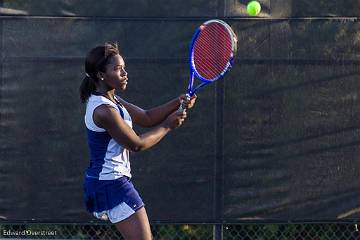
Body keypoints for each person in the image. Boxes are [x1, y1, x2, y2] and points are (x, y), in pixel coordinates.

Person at [79, 43, 196, 240]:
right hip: (110, 183)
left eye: (124, 67)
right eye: (117, 69)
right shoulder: (103, 110)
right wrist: (168, 125)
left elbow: (147, 117)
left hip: (109, 182)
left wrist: (178, 102)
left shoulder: (113, 100)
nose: (124, 73)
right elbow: (136, 144)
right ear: (100, 74)